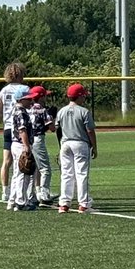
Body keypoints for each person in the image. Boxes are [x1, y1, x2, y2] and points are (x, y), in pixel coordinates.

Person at [0, 61, 28, 203]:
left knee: (6, 162)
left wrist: (6, 118)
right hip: (20, 128)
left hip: (7, 128)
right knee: (24, 160)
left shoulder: (4, 90)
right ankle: (24, 193)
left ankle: (5, 192)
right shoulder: (25, 88)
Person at [56, 83, 97, 214]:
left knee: (66, 174)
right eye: (83, 96)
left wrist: (60, 144)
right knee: (81, 174)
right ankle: (84, 204)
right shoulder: (84, 111)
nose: (84, 98)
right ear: (79, 96)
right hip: (80, 143)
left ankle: (64, 203)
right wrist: (94, 147)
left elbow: (58, 129)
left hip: (65, 143)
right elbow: (90, 130)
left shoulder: (61, 111)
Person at [6, 87, 36, 211]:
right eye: (28, 99)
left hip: (16, 144)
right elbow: (22, 130)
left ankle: (12, 201)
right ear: (21, 99)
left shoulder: (16, 110)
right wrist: (26, 146)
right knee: (23, 174)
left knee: (17, 174)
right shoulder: (21, 112)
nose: (31, 101)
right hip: (20, 144)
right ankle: (21, 202)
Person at [27, 85, 56, 205]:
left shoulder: (27, 109)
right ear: (41, 97)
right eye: (45, 96)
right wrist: (53, 118)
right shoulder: (43, 111)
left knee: (32, 168)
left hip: (28, 139)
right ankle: (44, 194)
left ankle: (32, 194)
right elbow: (52, 128)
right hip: (38, 139)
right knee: (45, 169)